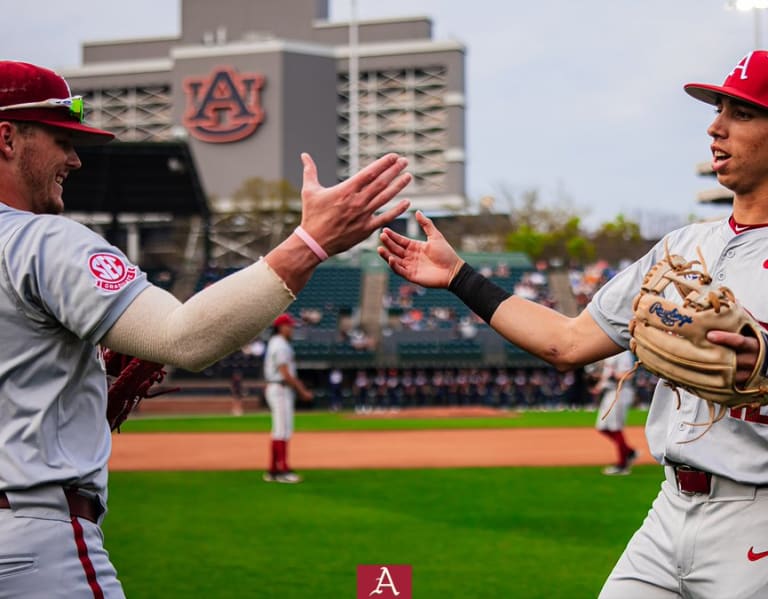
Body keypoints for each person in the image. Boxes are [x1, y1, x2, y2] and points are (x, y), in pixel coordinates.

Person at [0, 60, 411, 598]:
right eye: (61, 139)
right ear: (7, 137)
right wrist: (311, 242)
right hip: (35, 542)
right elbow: (183, 339)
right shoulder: (44, 242)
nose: (74, 159)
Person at [378, 50, 768, 599]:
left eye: (742, 113)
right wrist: (459, 277)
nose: (715, 125)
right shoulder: (683, 248)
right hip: (669, 510)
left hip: (758, 518)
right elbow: (566, 342)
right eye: (718, 108)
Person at [262, 314, 312, 483]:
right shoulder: (281, 345)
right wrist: (302, 390)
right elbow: (285, 372)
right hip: (281, 388)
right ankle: (282, 470)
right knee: (282, 430)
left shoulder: (275, 343)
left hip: (277, 387)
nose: (291, 329)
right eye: (289, 326)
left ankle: (273, 469)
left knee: (278, 430)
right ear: (281, 327)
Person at [592, 350, 638, 476]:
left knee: (615, 428)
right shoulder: (609, 353)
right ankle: (629, 452)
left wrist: (615, 375)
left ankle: (623, 465)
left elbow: (628, 375)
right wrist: (598, 386)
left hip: (620, 392)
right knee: (602, 427)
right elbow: (607, 374)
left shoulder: (623, 353)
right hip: (610, 392)